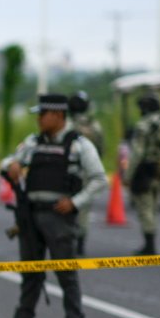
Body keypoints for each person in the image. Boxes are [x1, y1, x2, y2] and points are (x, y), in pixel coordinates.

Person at [0, 94, 107, 318]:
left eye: (42, 114)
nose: (38, 119)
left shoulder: (79, 144)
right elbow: (10, 161)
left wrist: (75, 202)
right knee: (30, 273)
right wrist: (11, 165)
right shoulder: (34, 142)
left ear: (57, 115)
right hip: (30, 215)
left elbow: (100, 179)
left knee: (66, 274)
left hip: (59, 217)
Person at [125, 93, 160, 256]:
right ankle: (150, 242)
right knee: (153, 205)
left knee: (144, 207)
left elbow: (137, 152)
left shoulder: (143, 125)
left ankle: (149, 245)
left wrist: (128, 175)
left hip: (144, 170)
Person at [68, 91, 106, 256]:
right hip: (88, 172)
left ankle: (67, 240)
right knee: (84, 208)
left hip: (69, 171)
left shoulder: (67, 124)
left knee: (66, 205)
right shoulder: (94, 126)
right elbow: (101, 150)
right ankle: (81, 243)